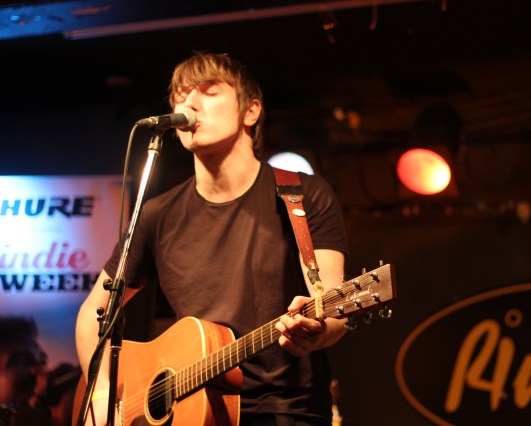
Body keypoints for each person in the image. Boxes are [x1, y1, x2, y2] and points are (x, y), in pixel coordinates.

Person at [75, 52, 348, 426]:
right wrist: (103, 392)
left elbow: (335, 309)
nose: (189, 102)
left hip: (285, 411)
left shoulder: (302, 196)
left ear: (250, 111)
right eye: (181, 94)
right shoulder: (157, 214)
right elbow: (95, 312)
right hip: (192, 414)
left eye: (209, 90)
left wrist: (318, 331)